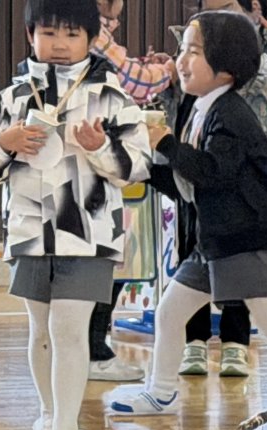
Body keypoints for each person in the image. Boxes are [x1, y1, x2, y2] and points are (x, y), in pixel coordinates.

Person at [109, 9, 267, 430]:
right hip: (214, 238)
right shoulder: (199, 108)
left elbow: (214, 172)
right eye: (182, 50)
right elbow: (188, 180)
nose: (181, 60)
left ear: (227, 67)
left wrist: (165, 145)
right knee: (169, 312)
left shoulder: (231, 115)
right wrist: (139, 169)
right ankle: (161, 391)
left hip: (243, 240)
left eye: (194, 51)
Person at [0, 0, 153, 430]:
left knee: (70, 328)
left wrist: (102, 148)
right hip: (29, 231)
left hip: (89, 234)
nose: (60, 45)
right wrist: (1, 142)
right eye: (49, 33)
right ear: (31, 36)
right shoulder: (13, 97)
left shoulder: (112, 96)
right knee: (41, 329)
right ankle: (48, 414)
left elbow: (139, 165)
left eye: (71, 34)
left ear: (90, 39)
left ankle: (68, 424)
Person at [178, 0, 267, 381]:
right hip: (201, 173)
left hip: (247, 186)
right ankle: (191, 343)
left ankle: (235, 345)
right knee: (191, 257)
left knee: (249, 284)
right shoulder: (201, 43)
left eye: (228, 6)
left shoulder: (257, 53)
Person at [87, 0, 173, 385]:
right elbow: (137, 81)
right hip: (102, 164)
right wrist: (168, 68)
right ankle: (94, 351)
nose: (115, 20)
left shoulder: (85, 29)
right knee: (113, 260)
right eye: (113, 11)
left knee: (112, 260)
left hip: (96, 166)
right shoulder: (88, 27)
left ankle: (90, 346)